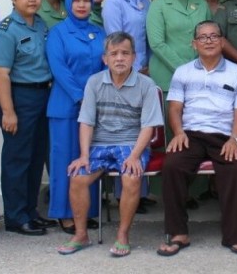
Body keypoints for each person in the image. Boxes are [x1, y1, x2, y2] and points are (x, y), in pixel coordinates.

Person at [56, 32, 164, 257]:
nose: (119, 58)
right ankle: (81, 235)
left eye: (125, 53)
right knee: (77, 176)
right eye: (114, 54)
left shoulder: (146, 84)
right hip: (100, 144)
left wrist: (134, 156)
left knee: (131, 177)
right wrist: (84, 155)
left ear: (134, 57)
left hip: (131, 144)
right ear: (105, 58)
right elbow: (86, 121)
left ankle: (123, 234)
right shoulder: (94, 82)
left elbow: (148, 127)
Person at [157, 21, 237, 256]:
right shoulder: (183, 72)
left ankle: (234, 236)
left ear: (222, 41)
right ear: (194, 43)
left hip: (223, 136)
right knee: (172, 166)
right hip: (190, 134)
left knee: (235, 170)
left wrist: (235, 139)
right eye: (203, 37)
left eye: (213, 37)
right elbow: (175, 108)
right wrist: (178, 133)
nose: (208, 41)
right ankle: (178, 233)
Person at [0, 0, 57, 236]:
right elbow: (0, 73)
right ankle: (16, 217)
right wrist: (8, 111)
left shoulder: (40, 25)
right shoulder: (6, 30)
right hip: (20, 98)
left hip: (43, 96)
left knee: (36, 157)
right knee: (17, 158)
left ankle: (31, 212)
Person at [46, 0, 106, 234]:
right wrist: (80, 97)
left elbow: (106, 65)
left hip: (94, 107)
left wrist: (95, 99)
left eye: (86, 0)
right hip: (66, 106)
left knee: (88, 159)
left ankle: (86, 211)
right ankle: (64, 213)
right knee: (65, 160)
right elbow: (58, 68)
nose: (82, 5)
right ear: (69, 3)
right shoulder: (58, 32)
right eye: (77, 0)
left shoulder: (99, 32)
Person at [147, 0, 211, 93]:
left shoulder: (202, 5)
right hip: (166, 77)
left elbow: (209, 39)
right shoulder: (158, 5)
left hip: (198, 76)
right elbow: (157, 43)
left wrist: (197, 69)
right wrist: (184, 69)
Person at [103, 0, 151, 73]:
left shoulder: (145, 2)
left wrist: (149, 66)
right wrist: (132, 69)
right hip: (125, 70)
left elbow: (150, 38)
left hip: (145, 70)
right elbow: (116, 41)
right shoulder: (113, 2)